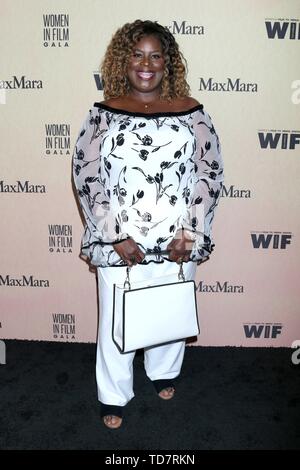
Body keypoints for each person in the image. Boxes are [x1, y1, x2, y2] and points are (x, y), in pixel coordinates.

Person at [72, 19, 224, 429]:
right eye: (137, 54)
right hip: (121, 241)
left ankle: (164, 373)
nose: (146, 64)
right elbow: (87, 175)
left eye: (156, 55)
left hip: (178, 239)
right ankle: (114, 393)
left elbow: (209, 172)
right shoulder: (102, 114)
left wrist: (190, 231)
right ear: (124, 62)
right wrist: (115, 234)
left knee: (169, 312)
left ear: (167, 63)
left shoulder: (192, 111)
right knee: (116, 320)